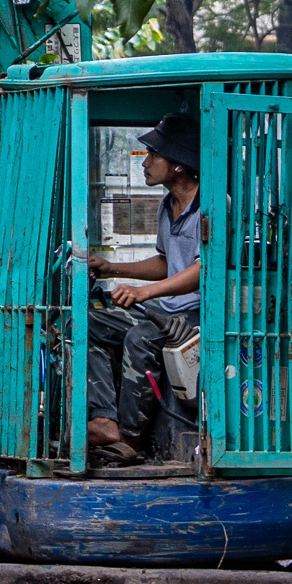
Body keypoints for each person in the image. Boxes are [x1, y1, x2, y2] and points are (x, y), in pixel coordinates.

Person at [85, 115, 201, 464]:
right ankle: (104, 420)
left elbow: (203, 270)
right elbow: (168, 262)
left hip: (197, 314)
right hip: (169, 308)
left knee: (139, 337)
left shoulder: (212, 206)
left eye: (153, 156)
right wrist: (113, 269)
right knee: (87, 322)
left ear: (178, 165)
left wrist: (144, 293)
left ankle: (132, 439)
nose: (146, 163)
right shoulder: (168, 205)